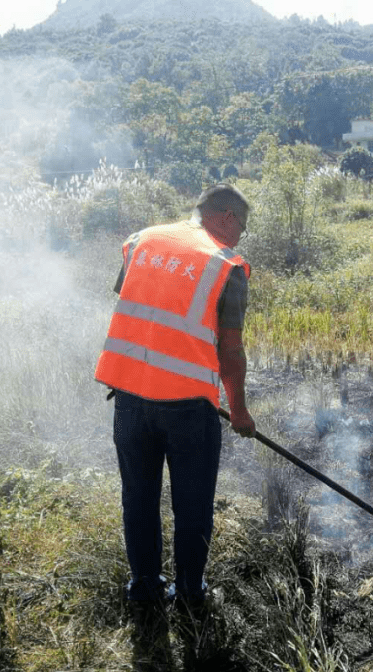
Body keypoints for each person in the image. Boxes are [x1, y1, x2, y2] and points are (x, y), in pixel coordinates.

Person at [95, 184, 256, 638]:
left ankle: (144, 589)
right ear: (225, 217)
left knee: (139, 498)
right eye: (241, 227)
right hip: (188, 408)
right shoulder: (226, 265)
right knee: (192, 506)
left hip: (129, 399)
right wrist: (240, 412)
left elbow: (137, 305)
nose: (239, 238)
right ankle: (189, 592)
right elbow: (230, 350)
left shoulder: (140, 242)